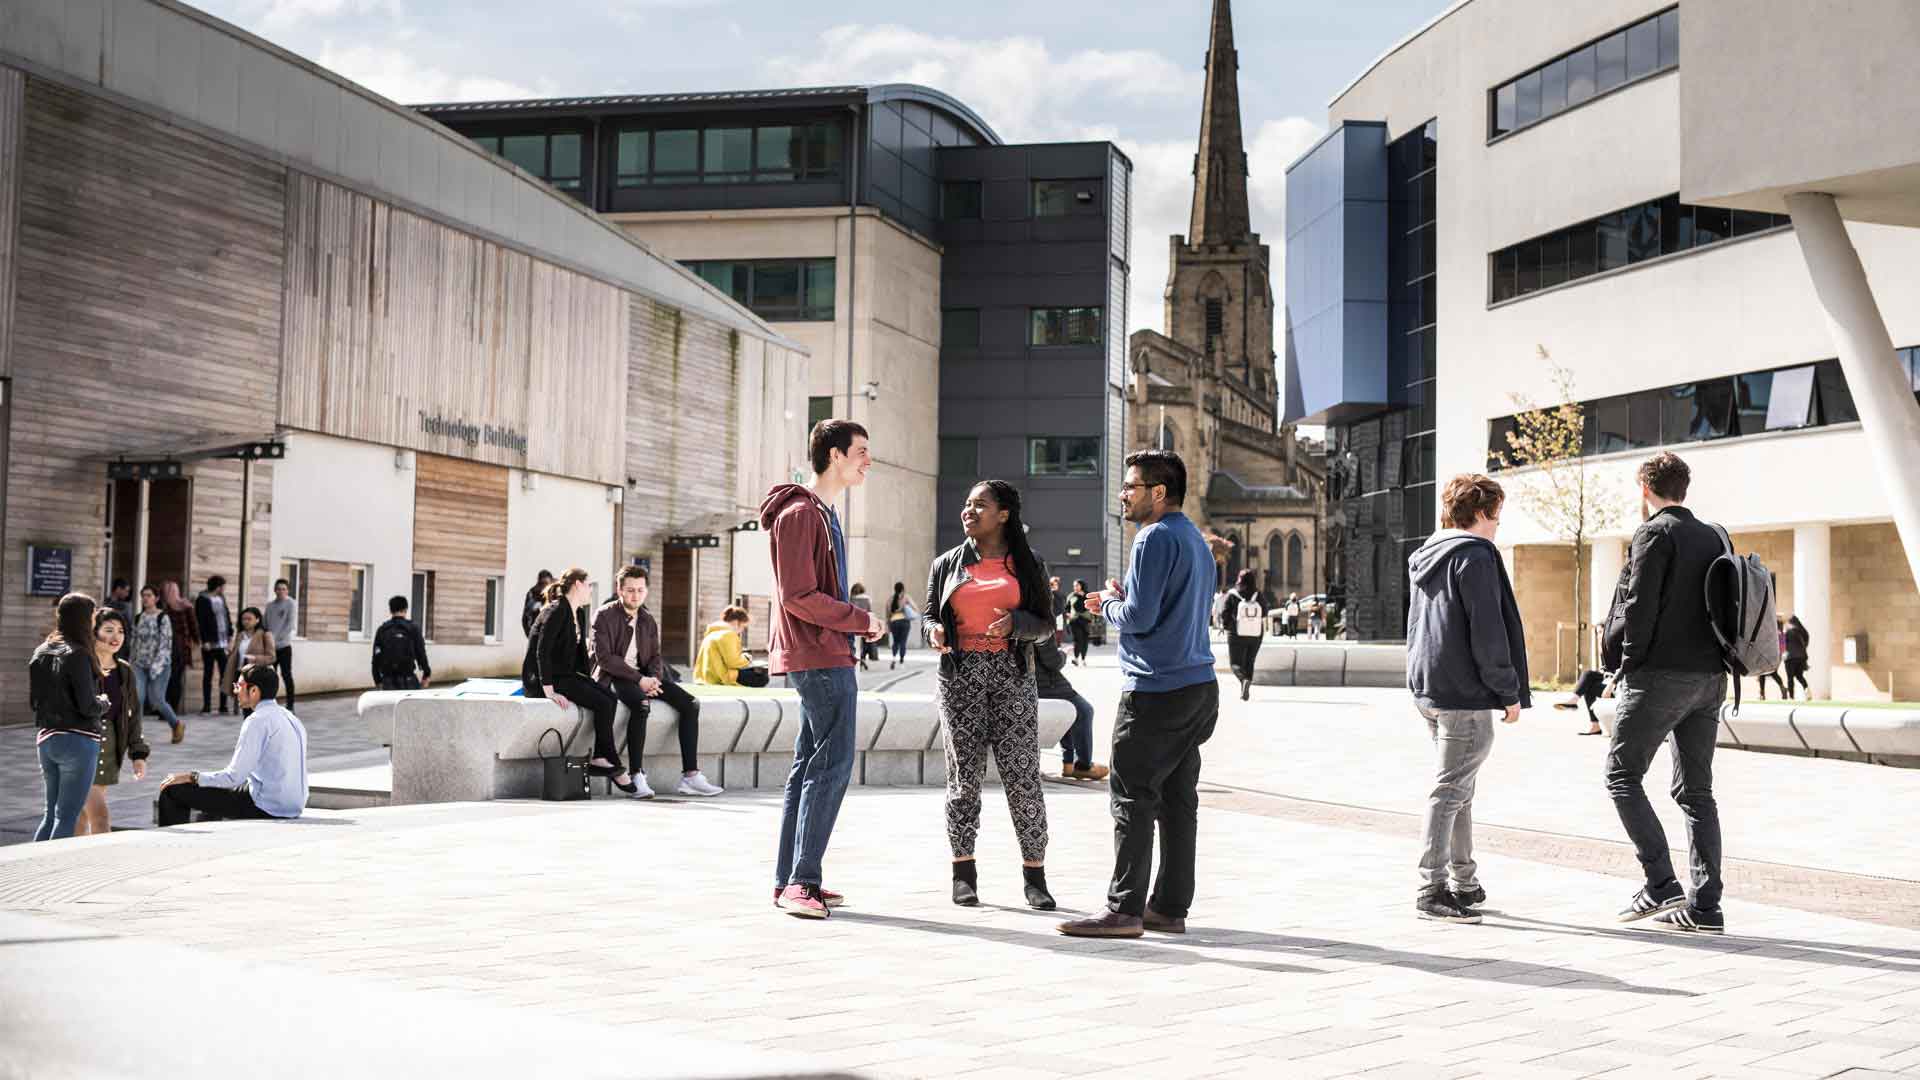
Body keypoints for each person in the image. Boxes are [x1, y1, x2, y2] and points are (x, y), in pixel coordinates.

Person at [1059, 450, 1218, 939]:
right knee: (1177, 802)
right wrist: (1124, 597)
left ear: (1158, 492)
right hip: (1198, 687)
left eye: (1131, 486)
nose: (1123, 494)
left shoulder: (1152, 538)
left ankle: (1123, 909)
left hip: (1155, 689)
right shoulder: (1195, 540)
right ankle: (1169, 906)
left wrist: (1109, 604)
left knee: (1131, 798)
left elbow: (1140, 618)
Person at [1600, 451, 1729, 934]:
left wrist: (1626, 666)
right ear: (1684, 489)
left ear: (1645, 489)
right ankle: (1706, 907)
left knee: (1621, 776)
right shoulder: (1714, 535)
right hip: (1710, 678)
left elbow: (1639, 606)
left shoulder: (1654, 533)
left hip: (1660, 676)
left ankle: (1660, 883)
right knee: (1697, 792)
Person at [762, 418, 885, 919]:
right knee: (830, 767)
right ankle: (801, 884)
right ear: (834, 455)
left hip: (826, 652)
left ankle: (792, 879)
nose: (868, 461)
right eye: (861, 451)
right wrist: (861, 619)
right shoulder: (800, 514)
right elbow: (798, 596)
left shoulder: (822, 513)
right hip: (819, 656)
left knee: (809, 767)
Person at [924, 480, 1058, 910]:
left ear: (1003, 514)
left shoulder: (1028, 563)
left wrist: (1016, 624)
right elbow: (930, 614)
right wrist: (934, 630)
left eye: (979, 505)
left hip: (1012, 674)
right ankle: (963, 874)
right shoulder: (946, 563)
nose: (969, 510)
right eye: (967, 504)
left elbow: (1046, 624)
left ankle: (1035, 877)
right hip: (960, 675)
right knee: (964, 777)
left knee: (1023, 776)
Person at [1405, 474, 1531, 925]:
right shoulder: (1476, 555)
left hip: (1430, 687)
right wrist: (1508, 691)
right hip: (1464, 693)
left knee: (1459, 789)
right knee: (1450, 790)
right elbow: (1488, 629)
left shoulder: (1428, 554)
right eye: (1496, 515)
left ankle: (1464, 881)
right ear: (1480, 513)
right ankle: (1432, 889)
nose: (1498, 524)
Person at [592, 566, 724, 799]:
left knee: (690, 704)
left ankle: (691, 776)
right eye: (630, 590)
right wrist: (639, 680)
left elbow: (655, 656)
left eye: (640, 590)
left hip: (644, 676)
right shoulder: (604, 615)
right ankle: (637, 775)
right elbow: (605, 659)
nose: (635, 595)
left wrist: (653, 679)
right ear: (619, 590)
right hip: (614, 676)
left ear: (646, 591)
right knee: (641, 705)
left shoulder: (648, 619)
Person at [525, 568, 634, 793]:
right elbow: (542, 651)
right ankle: (610, 761)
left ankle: (603, 757)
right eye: (588, 585)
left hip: (566, 675)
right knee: (602, 703)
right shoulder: (557, 610)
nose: (590, 590)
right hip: (547, 679)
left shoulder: (579, 613)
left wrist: (590, 682)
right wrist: (549, 691)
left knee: (609, 698)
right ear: (577, 584)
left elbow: (579, 654)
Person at [156, 665, 308, 826]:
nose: (235, 691)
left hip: (268, 806)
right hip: (294, 804)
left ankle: (172, 841)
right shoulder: (291, 717)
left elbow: (233, 777)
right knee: (212, 789)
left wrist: (191, 776)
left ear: (254, 691)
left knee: (172, 790)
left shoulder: (257, 721)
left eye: (239, 686)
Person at [31, 594, 108, 841]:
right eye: (93, 616)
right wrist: (103, 702)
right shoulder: (79, 654)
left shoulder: (41, 651)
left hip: (46, 739)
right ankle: (53, 864)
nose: (94, 622)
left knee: (49, 816)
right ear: (83, 619)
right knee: (66, 817)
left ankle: (31, 862)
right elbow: (88, 706)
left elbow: (34, 702)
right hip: (78, 741)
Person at [78, 608, 150, 836]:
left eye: (120, 631)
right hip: (81, 744)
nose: (116, 636)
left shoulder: (125, 671)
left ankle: (69, 854)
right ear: (94, 632)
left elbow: (133, 715)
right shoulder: (80, 665)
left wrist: (138, 754)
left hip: (109, 747)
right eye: (108, 630)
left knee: (82, 815)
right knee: (98, 816)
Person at [1037, 627, 1107, 783]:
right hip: (1046, 685)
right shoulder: (1040, 622)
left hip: (1038, 683)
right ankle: (1082, 765)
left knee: (1069, 710)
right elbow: (1053, 661)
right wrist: (1063, 654)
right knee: (1084, 710)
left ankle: (1069, 763)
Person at [131, 585, 184, 744]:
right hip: (139, 665)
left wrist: (156, 667)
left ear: (156, 598)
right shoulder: (138, 618)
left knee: (157, 700)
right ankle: (136, 735)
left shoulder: (163, 617)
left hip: (160, 666)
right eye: (143, 595)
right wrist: (130, 662)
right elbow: (134, 642)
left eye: (149, 595)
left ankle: (176, 724)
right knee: (138, 698)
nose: (145, 598)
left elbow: (166, 644)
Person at [696, 605, 771, 689]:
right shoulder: (728, 635)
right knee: (762, 678)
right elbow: (733, 662)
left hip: (707, 676)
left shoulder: (711, 634)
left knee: (753, 672)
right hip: (722, 677)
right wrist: (747, 658)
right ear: (736, 622)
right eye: (743, 627)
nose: (742, 630)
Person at [224, 607, 278, 714]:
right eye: (243, 619)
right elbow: (236, 653)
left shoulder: (265, 634)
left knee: (253, 705)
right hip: (240, 672)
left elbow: (272, 657)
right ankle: (246, 721)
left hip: (256, 675)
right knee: (244, 704)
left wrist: (255, 658)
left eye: (249, 619)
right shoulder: (240, 635)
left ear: (257, 620)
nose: (246, 621)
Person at [1222, 569, 1266, 701]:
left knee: (1235, 663)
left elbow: (1225, 613)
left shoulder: (1232, 594)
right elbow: (1264, 612)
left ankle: (1243, 680)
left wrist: (1227, 626)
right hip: (1256, 633)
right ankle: (1247, 683)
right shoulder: (1258, 595)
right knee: (1250, 661)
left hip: (1236, 633)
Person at [370, 596, 431, 691]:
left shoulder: (382, 630)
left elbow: (376, 658)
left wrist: (377, 680)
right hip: (408, 680)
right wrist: (426, 674)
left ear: (390, 610)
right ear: (406, 609)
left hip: (388, 681)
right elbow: (421, 654)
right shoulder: (413, 628)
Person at [194, 575, 233, 714]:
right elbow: (201, 621)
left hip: (222, 642)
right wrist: (205, 640)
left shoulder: (221, 598)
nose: (224, 589)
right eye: (223, 586)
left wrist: (230, 634)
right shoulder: (202, 599)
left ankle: (223, 706)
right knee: (208, 674)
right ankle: (207, 706)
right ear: (218, 587)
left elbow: (226, 616)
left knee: (224, 674)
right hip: (210, 643)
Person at [160, 580, 198, 717]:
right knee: (168, 679)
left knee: (174, 679)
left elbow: (193, 626)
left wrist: (196, 641)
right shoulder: (164, 608)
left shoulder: (185, 607)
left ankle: (172, 709)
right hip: (168, 647)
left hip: (180, 648)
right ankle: (167, 709)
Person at [264, 578, 298, 708]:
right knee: (269, 676)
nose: (281, 591)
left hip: (284, 647)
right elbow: (265, 625)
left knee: (286, 675)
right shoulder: (270, 606)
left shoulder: (291, 604)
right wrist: (267, 640)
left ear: (287, 591)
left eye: (283, 589)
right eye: (278, 589)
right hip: (270, 649)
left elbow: (289, 625)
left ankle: (290, 705)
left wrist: (275, 639)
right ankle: (269, 703)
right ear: (274, 590)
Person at [1556, 669, 1607, 736]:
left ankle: (1574, 700)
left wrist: (1612, 682)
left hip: (1618, 685)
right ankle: (1595, 726)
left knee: (1588, 676)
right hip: (1610, 678)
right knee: (1587, 680)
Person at [1756, 616, 1789, 700]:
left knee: (1763, 673)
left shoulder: (1771, 632)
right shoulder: (1781, 634)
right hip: (1776, 657)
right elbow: (1782, 648)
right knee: (1773, 673)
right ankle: (1782, 688)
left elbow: (1764, 644)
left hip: (1767, 655)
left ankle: (1762, 694)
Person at [885, 582, 917, 669]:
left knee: (895, 642)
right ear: (903, 589)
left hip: (894, 622)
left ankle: (893, 659)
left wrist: (887, 625)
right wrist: (906, 608)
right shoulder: (906, 598)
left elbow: (887, 614)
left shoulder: (890, 599)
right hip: (904, 622)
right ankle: (902, 662)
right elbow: (915, 608)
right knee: (903, 642)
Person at [1783, 615, 1812, 700]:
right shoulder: (1803, 632)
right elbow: (1806, 642)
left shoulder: (1788, 632)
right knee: (1799, 676)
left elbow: (1782, 644)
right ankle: (1806, 689)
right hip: (1801, 657)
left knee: (1790, 677)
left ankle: (1791, 696)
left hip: (1790, 658)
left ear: (1790, 623)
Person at [850, 583, 878, 670]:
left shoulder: (851, 599)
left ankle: (858, 660)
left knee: (854, 644)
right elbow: (869, 611)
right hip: (864, 625)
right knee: (865, 643)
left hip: (853, 625)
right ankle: (862, 658)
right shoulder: (867, 599)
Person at [106, 579, 135, 659]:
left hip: (122, 645)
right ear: (118, 589)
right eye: (126, 591)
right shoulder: (107, 603)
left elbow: (130, 626)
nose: (127, 594)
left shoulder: (126, 606)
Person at [1066, 580, 1093, 665]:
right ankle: (1076, 658)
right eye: (1074, 586)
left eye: (1077, 585)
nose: (1075, 587)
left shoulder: (1088, 595)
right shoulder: (1071, 596)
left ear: (1082, 586)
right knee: (1078, 640)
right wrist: (1068, 615)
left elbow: (1092, 607)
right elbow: (1067, 608)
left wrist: (1094, 618)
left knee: (1085, 640)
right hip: (1075, 621)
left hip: (1086, 621)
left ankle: (1083, 659)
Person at [522, 569, 553, 637]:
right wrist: (529, 634)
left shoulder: (554, 594)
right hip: (536, 633)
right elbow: (525, 617)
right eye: (543, 583)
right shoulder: (532, 594)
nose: (546, 587)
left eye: (548, 584)